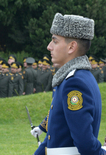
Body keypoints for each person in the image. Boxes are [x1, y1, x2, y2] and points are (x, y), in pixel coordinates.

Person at [31, 13, 106, 155]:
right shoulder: (70, 79)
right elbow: (54, 135)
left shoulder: (75, 82)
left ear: (71, 47)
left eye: (55, 41)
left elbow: (85, 143)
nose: (49, 46)